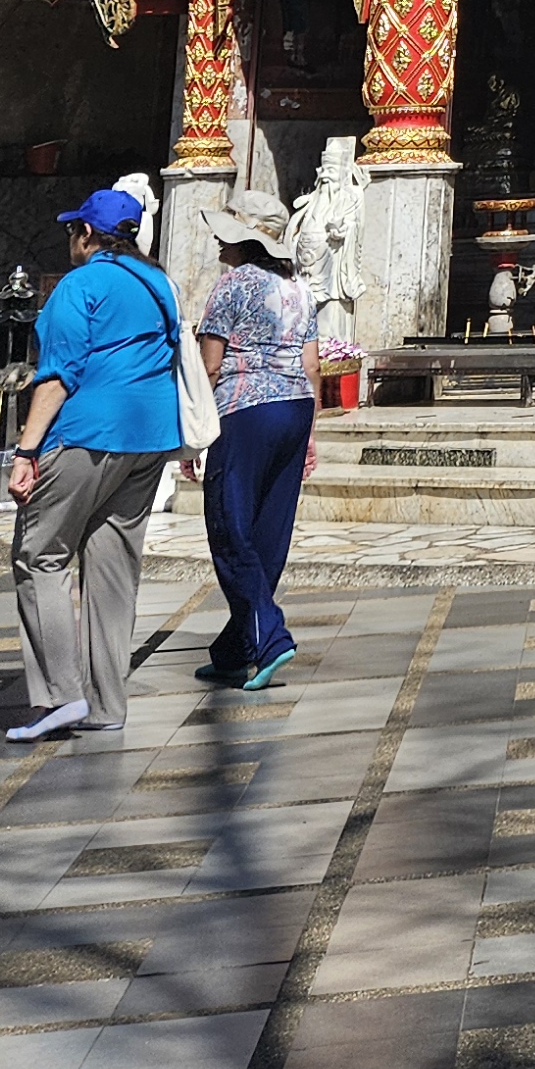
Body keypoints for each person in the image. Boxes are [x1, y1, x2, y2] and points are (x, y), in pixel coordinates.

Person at [3, 185, 186, 743]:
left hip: (87, 433)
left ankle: (62, 694)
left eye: (72, 231)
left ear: (87, 235)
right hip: (150, 435)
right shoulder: (160, 282)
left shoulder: (78, 285)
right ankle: (108, 701)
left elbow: (57, 374)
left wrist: (27, 450)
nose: (70, 241)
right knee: (112, 568)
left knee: (40, 557)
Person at [193, 185, 318, 692]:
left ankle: (270, 637)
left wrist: (194, 433)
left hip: (245, 411)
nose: (220, 245)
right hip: (294, 408)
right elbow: (312, 365)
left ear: (245, 241)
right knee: (268, 532)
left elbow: (209, 364)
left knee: (230, 527)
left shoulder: (232, 286)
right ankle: (236, 646)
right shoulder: (299, 288)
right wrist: (310, 435)